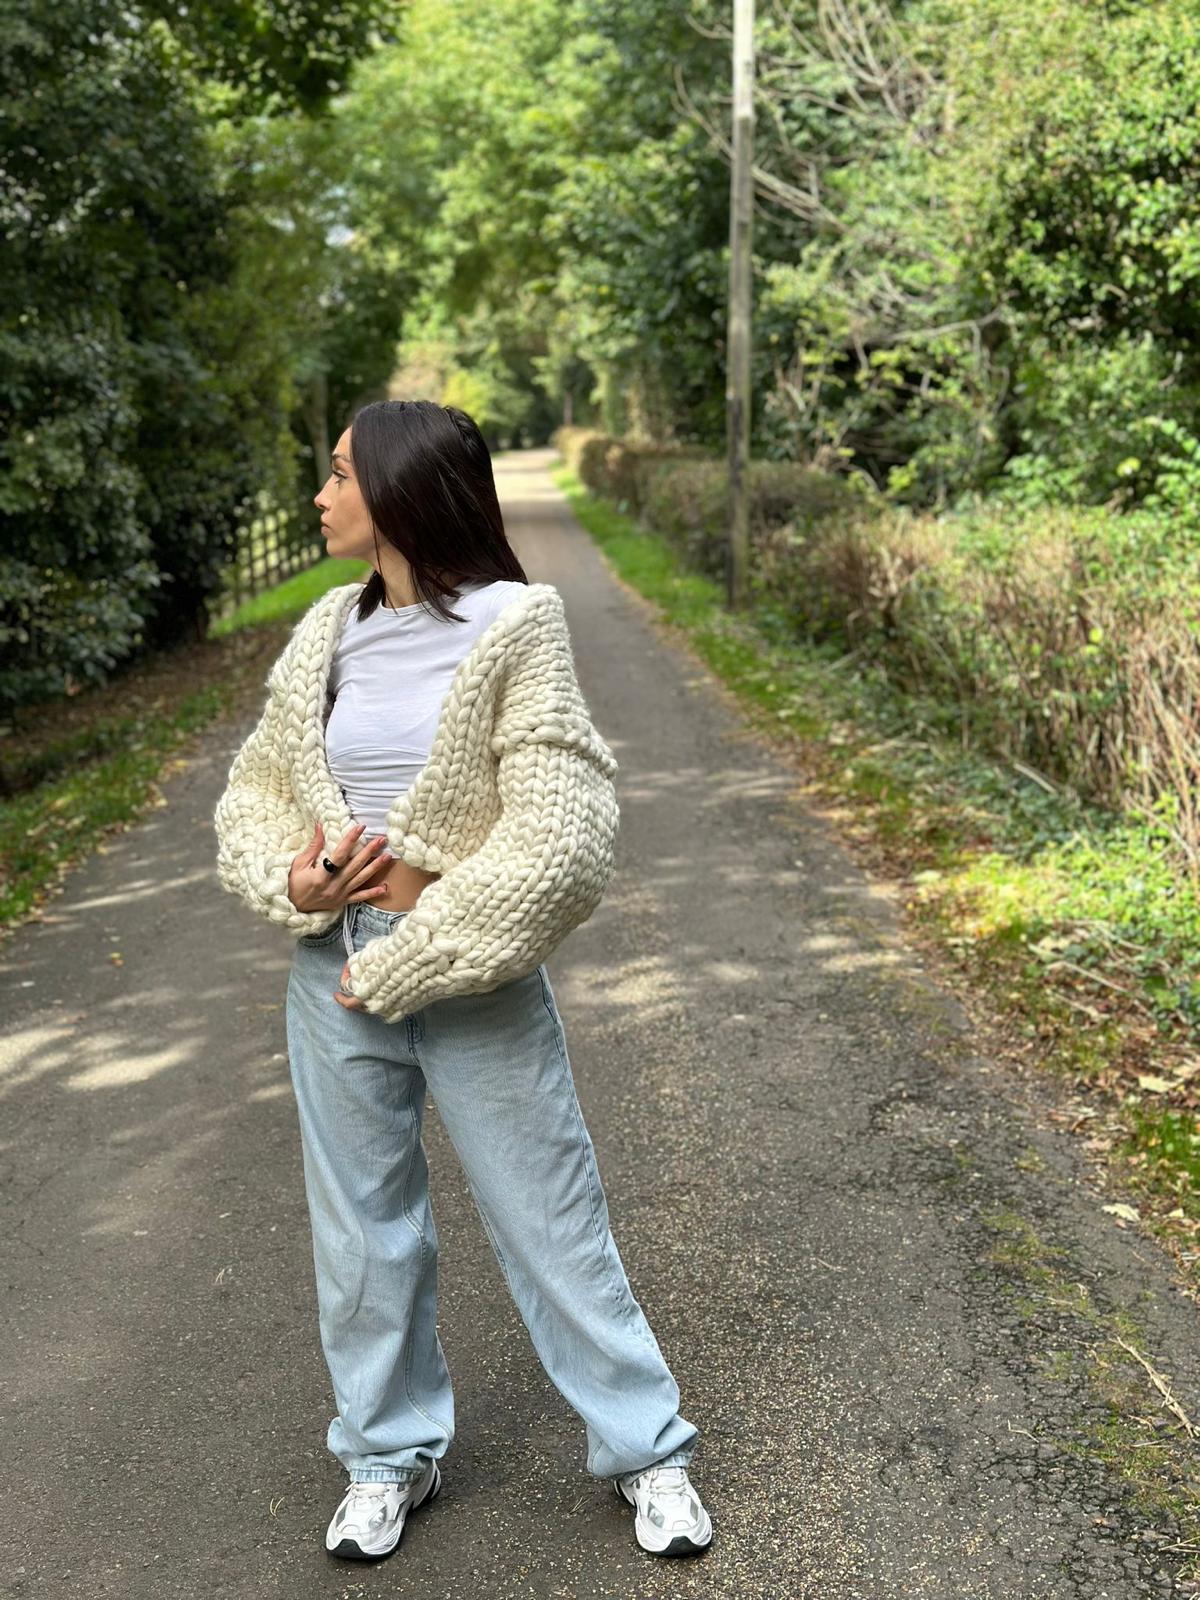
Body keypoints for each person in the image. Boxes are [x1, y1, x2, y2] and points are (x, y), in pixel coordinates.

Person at [212, 400, 712, 1564]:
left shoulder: (515, 624)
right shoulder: (322, 635)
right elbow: (256, 793)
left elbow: (565, 826)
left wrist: (429, 937)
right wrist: (299, 875)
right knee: (363, 1232)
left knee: (551, 1217)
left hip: (471, 978)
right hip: (331, 979)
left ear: (394, 491)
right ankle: (386, 1458)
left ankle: (648, 1450)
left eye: (338, 474)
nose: (322, 496)